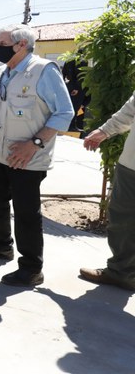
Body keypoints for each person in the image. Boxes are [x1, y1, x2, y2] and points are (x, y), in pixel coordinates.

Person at [0, 25, 73, 287]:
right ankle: (1, 245)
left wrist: (34, 143)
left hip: (26, 157)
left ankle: (31, 269)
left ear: (21, 45)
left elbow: (64, 113)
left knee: (26, 213)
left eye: (2, 42)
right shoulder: (5, 70)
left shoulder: (43, 71)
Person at [79, 93, 135, 291]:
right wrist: (104, 132)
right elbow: (130, 110)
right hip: (132, 164)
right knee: (122, 218)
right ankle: (122, 272)